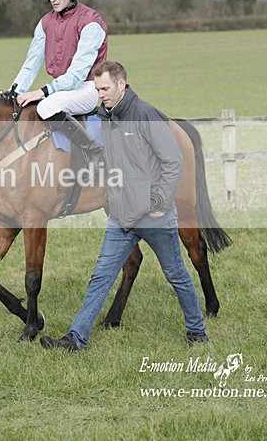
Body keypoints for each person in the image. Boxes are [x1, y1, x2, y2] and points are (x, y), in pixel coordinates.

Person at [40, 61, 209, 351]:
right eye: (97, 89)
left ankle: (197, 333)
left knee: (177, 275)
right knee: (101, 277)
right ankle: (75, 340)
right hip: (120, 216)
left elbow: (173, 161)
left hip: (153, 216)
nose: (100, 94)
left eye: (105, 88)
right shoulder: (104, 117)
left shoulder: (146, 115)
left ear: (122, 84)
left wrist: (159, 201)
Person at [5, 0, 108, 164]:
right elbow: (30, 65)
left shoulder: (91, 23)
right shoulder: (45, 22)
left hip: (86, 88)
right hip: (61, 90)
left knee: (45, 107)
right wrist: (13, 91)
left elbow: (76, 75)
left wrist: (42, 92)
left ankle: (95, 152)